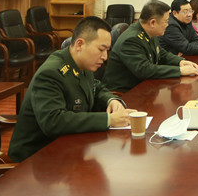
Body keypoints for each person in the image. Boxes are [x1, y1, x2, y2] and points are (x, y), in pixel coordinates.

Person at [9, 16, 134, 162]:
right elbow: (53, 121)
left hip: (66, 148)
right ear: (80, 44)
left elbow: (96, 87)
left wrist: (111, 100)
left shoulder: (82, 64)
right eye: (101, 49)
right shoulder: (51, 72)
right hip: (35, 159)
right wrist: (108, 120)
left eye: (107, 50)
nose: (105, 57)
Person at [103, 0, 198, 92]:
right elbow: (144, 69)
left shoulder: (149, 32)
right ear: (153, 22)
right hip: (125, 93)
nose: (168, 25)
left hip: (143, 86)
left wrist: (180, 62)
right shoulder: (131, 39)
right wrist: (180, 71)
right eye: (166, 21)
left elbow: (161, 53)